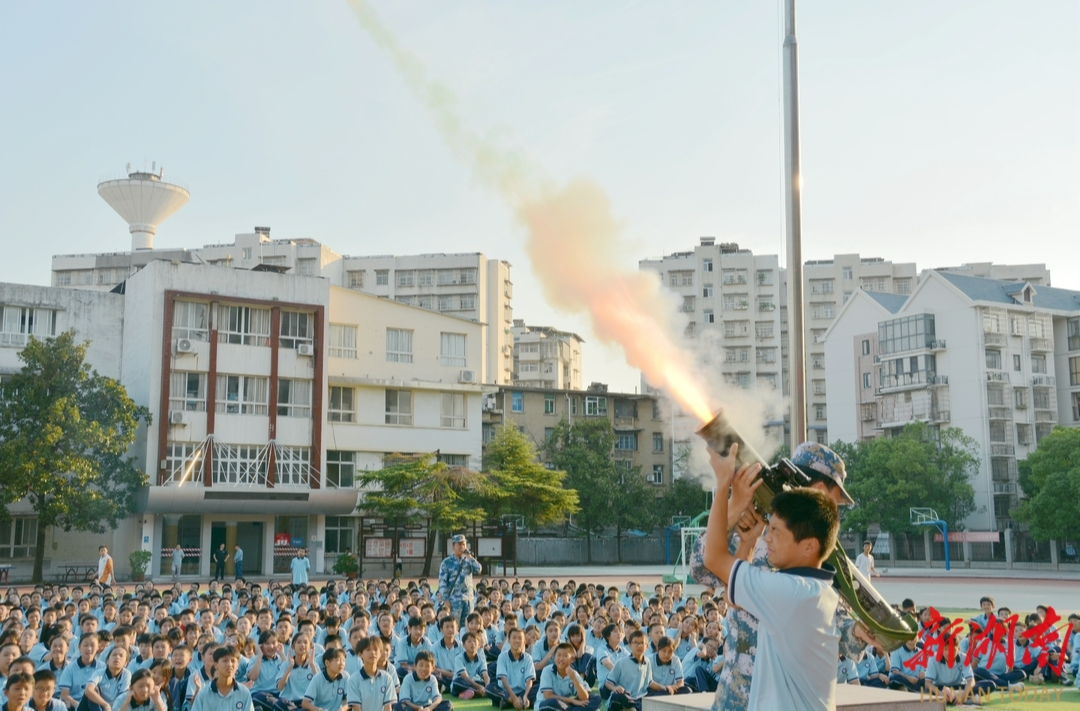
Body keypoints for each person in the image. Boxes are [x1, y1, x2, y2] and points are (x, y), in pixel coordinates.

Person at [690, 441, 875, 711]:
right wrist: (735, 518)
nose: (835, 509)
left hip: (785, 691)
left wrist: (858, 631)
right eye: (836, 500)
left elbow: (836, 619)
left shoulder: (818, 551)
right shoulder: (765, 529)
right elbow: (701, 569)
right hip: (738, 691)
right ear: (822, 490)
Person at [436, 536, 481, 628]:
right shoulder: (447, 562)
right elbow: (442, 583)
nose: (462, 546)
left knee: (468, 626)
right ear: (453, 546)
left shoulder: (469, 561)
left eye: (464, 544)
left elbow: (478, 569)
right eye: (459, 544)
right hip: (454, 601)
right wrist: (446, 599)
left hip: (468, 600)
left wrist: (470, 557)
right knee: (454, 626)